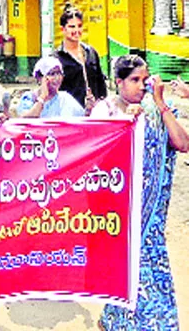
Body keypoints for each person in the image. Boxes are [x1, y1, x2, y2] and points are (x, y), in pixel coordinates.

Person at [91, 55, 189, 330]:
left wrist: (160, 104)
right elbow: (96, 160)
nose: (142, 86)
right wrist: (124, 125)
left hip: (153, 218)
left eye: (145, 80)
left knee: (150, 267)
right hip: (120, 214)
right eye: (135, 80)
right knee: (123, 272)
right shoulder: (105, 111)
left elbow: (182, 144)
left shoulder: (156, 109)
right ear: (118, 82)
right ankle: (117, 321)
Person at [54, 7, 107, 111]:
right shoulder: (56, 58)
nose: (76, 31)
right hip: (68, 113)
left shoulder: (91, 52)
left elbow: (101, 83)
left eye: (79, 26)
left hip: (94, 112)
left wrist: (100, 103)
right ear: (63, 29)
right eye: (72, 27)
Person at [17, 56, 85, 118]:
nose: (57, 78)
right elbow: (26, 120)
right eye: (52, 74)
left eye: (59, 73)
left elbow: (80, 118)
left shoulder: (65, 98)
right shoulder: (29, 98)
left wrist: (88, 109)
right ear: (40, 78)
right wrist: (43, 97)